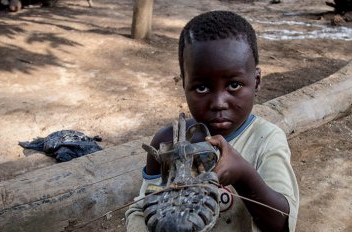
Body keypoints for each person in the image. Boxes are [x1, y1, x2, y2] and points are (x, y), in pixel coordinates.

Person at [125, 10, 299, 232]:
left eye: (234, 85)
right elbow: (141, 210)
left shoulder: (267, 140)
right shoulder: (166, 141)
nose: (218, 103)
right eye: (202, 87)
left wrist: (244, 176)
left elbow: (281, 224)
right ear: (184, 84)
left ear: (256, 81)